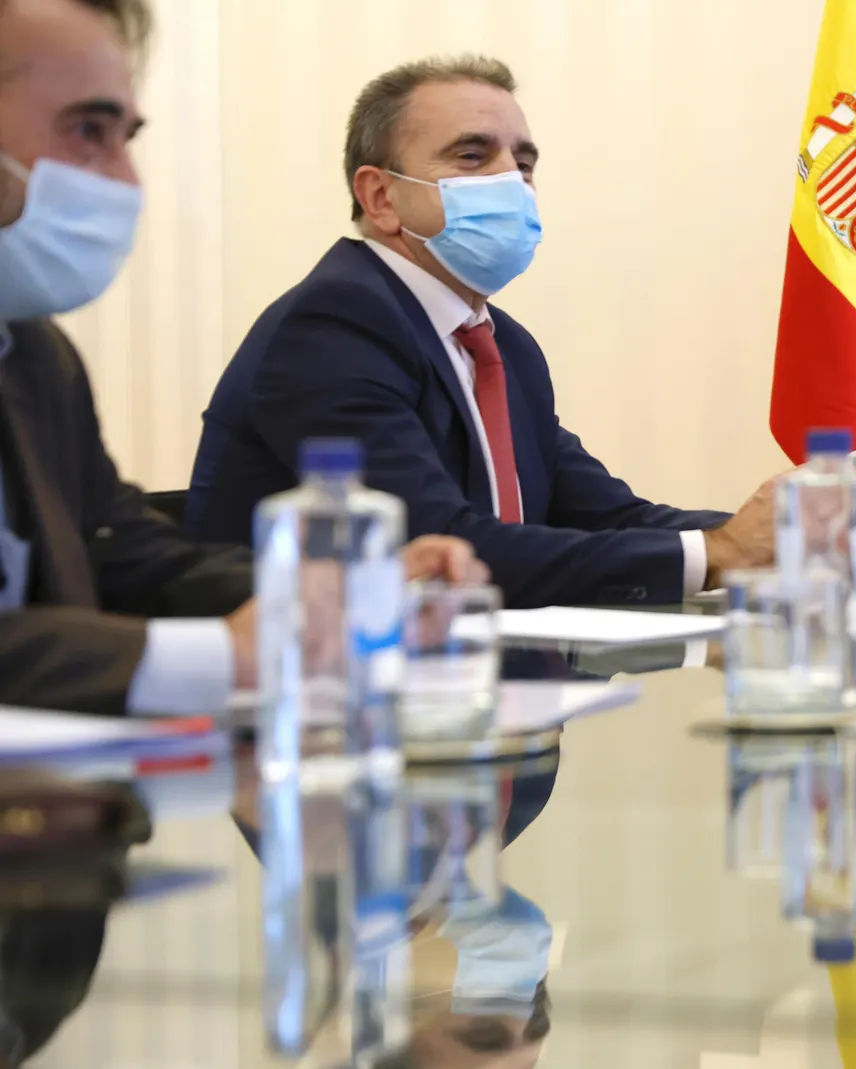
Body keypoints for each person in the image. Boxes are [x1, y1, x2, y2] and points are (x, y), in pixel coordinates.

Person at [0, 0, 481, 717]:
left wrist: (339, 593)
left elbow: (125, 554)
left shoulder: (33, 353)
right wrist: (224, 657)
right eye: (87, 131)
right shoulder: (337, 318)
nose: (126, 181)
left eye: (126, 137)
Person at [185, 56, 775, 609]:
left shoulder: (500, 343)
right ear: (381, 196)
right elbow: (443, 548)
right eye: (472, 156)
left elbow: (604, 515)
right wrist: (719, 555)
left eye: (523, 164)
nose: (510, 182)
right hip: (318, 690)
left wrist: (781, 539)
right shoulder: (332, 326)